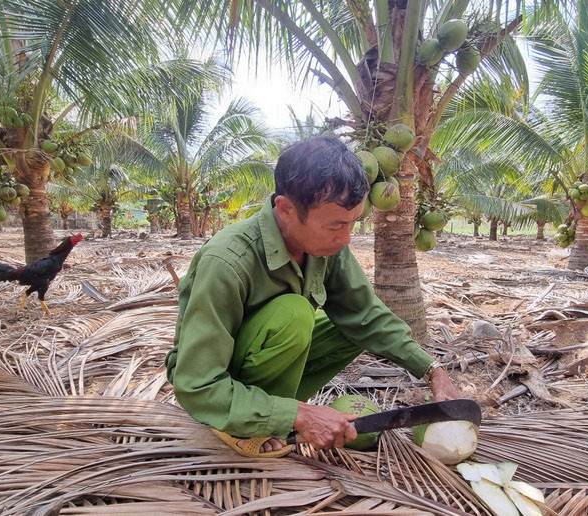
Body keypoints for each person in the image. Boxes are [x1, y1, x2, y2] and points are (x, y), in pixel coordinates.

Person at [165, 136, 461, 458]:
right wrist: (300, 416)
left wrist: (433, 371)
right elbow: (196, 384)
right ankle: (244, 420)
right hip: (219, 382)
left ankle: (274, 409)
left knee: (355, 327)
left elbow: (367, 315)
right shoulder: (225, 262)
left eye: (352, 224)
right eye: (336, 225)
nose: (346, 238)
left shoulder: (326, 246)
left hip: (265, 368)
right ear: (287, 209)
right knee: (295, 314)